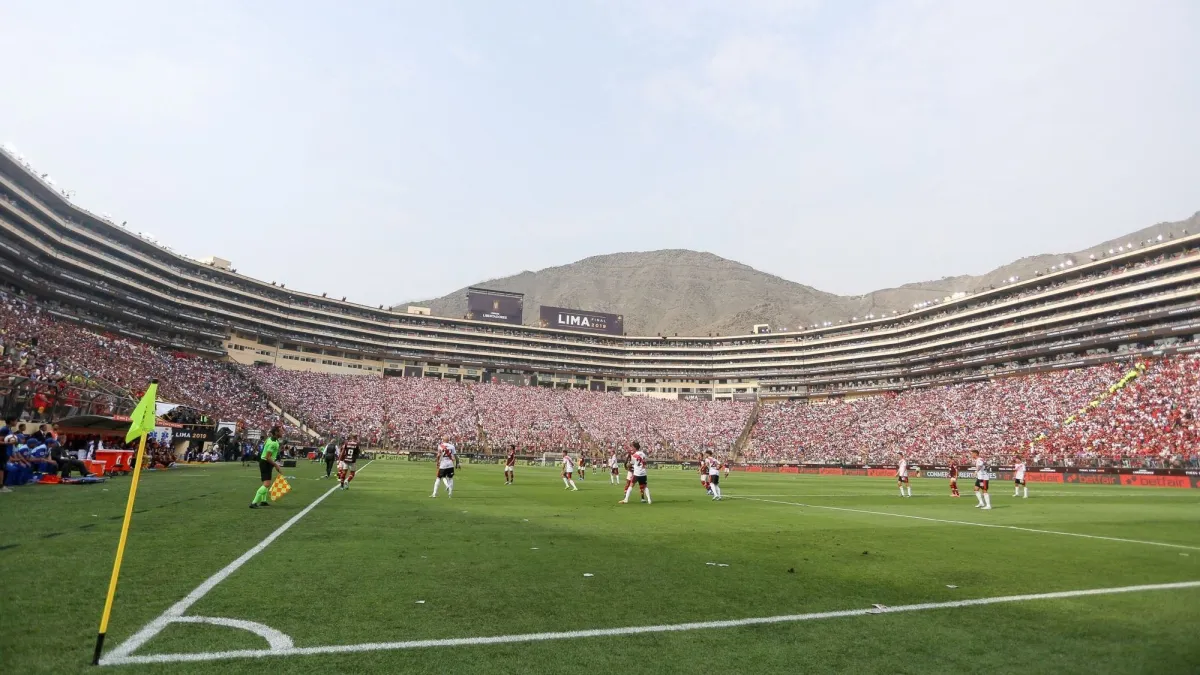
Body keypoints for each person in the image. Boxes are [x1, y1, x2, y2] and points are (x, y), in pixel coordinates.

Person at [250, 427, 283, 509]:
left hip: (266, 462)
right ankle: (253, 503)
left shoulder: (271, 439)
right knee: (267, 484)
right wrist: (276, 465)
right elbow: (268, 457)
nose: (282, 433)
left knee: (266, 482)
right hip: (266, 462)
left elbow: (265, 445)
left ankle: (263, 501)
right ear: (276, 432)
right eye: (280, 431)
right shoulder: (273, 443)